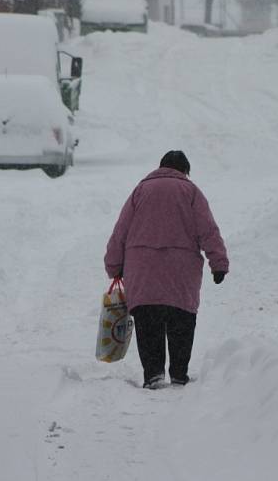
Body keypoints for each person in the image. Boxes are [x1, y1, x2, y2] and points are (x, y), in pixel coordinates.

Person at [104, 151, 229, 389]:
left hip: (143, 273)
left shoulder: (140, 191)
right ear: (185, 171)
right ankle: (179, 373)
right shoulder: (192, 193)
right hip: (181, 275)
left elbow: (121, 231)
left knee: (148, 322)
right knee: (181, 321)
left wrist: (113, 265)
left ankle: (153, 374)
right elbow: (208, 231)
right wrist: (219, 263)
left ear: (161, 167)